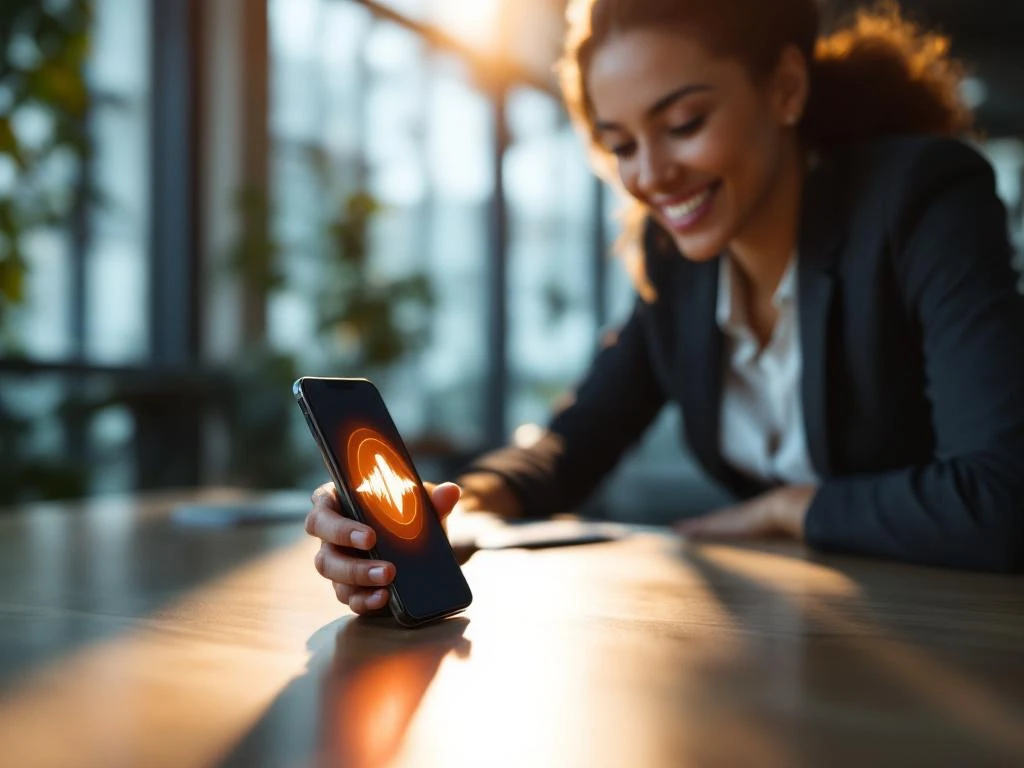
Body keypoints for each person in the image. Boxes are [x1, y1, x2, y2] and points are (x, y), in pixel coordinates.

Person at [306, 0, 1024, 614]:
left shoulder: (919, 202)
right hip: (804, 637)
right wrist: (450, 505)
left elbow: (1002, 499)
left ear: (785, 88)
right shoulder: (675, 261)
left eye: (683, 123)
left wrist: (789, 508)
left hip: (959, 638)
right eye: (620, 144)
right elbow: (575, 439)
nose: (649, 177)